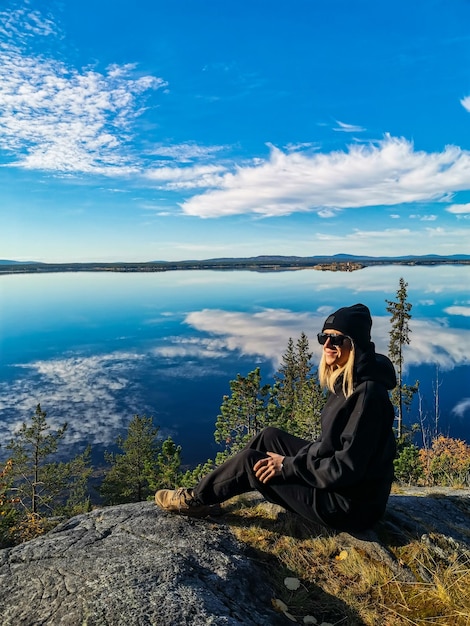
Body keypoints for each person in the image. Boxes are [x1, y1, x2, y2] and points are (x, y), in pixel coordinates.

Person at [155, 303, 397, 531]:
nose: (327, 345)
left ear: (355, 344)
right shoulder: (349, 380)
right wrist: (294, 462)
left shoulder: (366, 396)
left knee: (252, 462)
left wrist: (287, 466)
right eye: (324, 337)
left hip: (349, 507)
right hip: (342, 489)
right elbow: (333, 448)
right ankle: (216, 492)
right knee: (269, 437)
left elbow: (344, 469)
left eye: (337, 339)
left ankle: (196, 500)